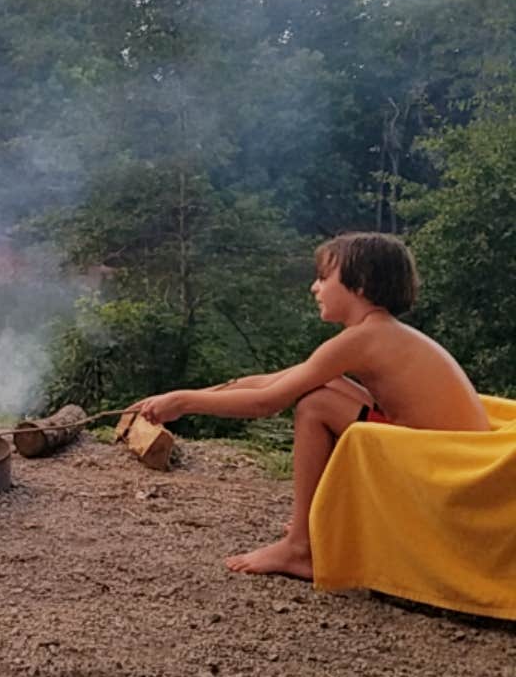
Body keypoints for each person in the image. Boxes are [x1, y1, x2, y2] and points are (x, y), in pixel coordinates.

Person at [134, 232, 489, 580]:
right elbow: (273, 381)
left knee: (317, 404)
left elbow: (266, 402)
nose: (314, 288)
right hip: (445, 453)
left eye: (322, 277)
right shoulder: (376, 333)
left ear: (360, 283)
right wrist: (178, 397)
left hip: (450, 470)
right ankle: (321, 522)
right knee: (327, 386)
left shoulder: (363, 338)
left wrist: (184, 402)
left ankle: (300, 547)